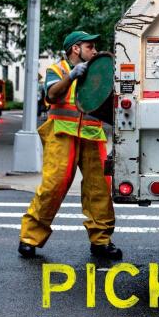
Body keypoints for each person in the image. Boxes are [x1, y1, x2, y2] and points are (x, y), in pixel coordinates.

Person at [18, 31, 122, 260]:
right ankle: (29, 238)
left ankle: (101, 241)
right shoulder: (58, 70)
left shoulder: (97, 72)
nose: (94, 51)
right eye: (90, 46)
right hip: (62, 133)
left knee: (100, 187)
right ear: (76, 48)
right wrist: (72, 76)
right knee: (55, 184)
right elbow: (53, 95)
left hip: (92, 134)